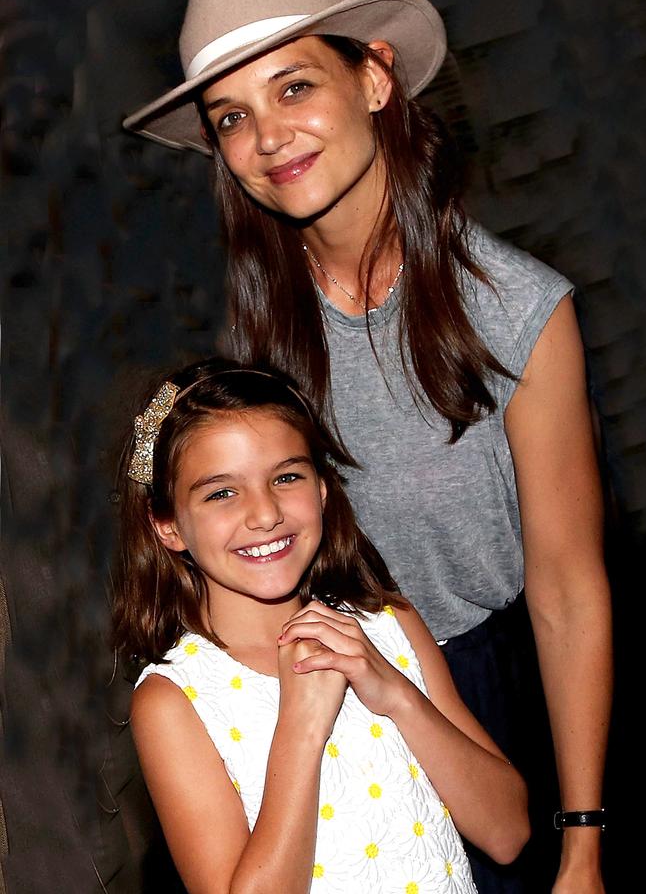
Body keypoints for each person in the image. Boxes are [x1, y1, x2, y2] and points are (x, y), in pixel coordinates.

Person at [123, 0, 612, 893]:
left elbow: (567, 589)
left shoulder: (520, 312)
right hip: (294, 689)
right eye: (232, 114)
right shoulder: (256, 333)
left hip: (478, 699)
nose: (269, 138)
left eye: (295, 87)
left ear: (375, 79)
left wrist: (584, 839)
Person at [112, 358, 529, 894]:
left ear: (323, 491)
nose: (265, 514)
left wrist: (398, 695)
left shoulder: (388, 622)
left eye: (286, 477)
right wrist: (300, 727)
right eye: (221, 492)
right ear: (167, 525)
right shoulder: (176, 700)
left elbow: (509, 832)